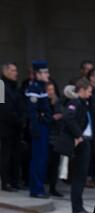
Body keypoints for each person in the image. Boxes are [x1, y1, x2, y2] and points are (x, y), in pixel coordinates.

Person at [62, 78, 93, 213]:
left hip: (85, 141)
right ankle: (77, 208)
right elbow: (68, 118)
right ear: (81, 90)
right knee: (78, 177)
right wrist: (79, 135)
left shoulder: (83, 103)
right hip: (80, 142)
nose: (91, 94)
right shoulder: (75, 102)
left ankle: (79, 207)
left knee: (81, 176)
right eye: (89, 91)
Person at [25, 60, 52, 198]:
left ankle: (39, 187)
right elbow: (33, 112)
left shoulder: (41, 87)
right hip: (39, 128)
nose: (47, 74)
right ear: (38, 74)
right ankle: (36, 189)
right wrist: (36, 127)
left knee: (42, 158)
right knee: (38, 159)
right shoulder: (34, 88)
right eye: (45, 72)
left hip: (44, 127)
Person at [0, 62, 25, 191]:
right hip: (6, 128)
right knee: (6, 156)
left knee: (16, 156)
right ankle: (6, 182)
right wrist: (17, 120)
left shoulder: (15, 87)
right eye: (13, 70)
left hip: (16, 127)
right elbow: (3, 109)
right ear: (5, 72)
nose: (16, 73)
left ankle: (15, 181)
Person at [46, 81, 64, 198]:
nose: (50, 92)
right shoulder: (43, 102)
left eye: (52, 89)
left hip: (56, 138)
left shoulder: (58, 102)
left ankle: (53, 187)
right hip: (45, 136)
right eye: (48, 90)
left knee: (55, 164)